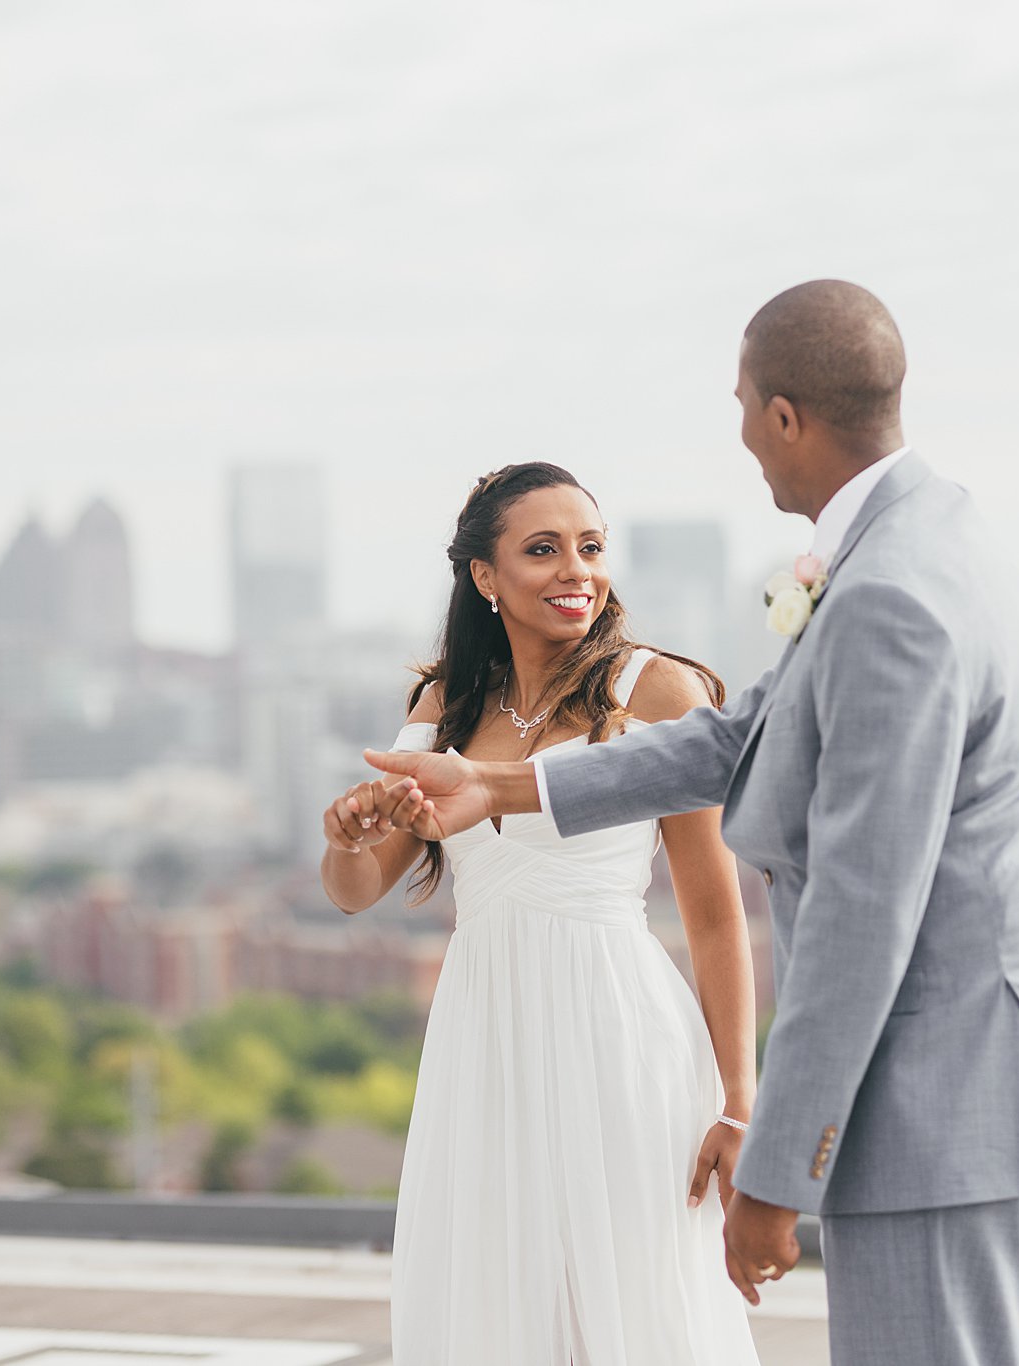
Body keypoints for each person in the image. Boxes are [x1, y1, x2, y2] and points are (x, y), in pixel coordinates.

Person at [367, 280, 1019, 1365]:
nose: (738, 435)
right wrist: (504, 790)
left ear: (783, 417)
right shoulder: (919, 536)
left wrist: (775, 1165)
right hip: (966, 1065)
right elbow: (746, 739)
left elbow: (865, 908)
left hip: (941, 1075)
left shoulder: (887, 597)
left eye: (739, 406)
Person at [319, 462, 763, 1366]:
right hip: (484, 1044)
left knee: (630, 1301)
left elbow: (717, 919)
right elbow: (357, 889)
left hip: (620, 1038)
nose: (577, 571)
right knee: (495, 1301)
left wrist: (739, 1104)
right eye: (544, 550)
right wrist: (346, 832)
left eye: (591, 548)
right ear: (485, 576)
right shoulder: (444, 705)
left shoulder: (658, 691)